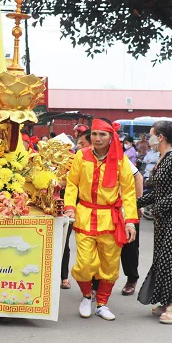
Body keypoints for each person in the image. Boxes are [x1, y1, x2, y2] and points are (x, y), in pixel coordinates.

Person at [64, 118, 138, 321]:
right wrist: (69, 207)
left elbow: (129, 191)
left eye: (102, 134)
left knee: (110, 264)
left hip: (110, 219)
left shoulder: (121, 160)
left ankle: (102, 303)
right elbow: (72, 183)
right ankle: (87, 296)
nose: (97, 138)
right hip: (85, 215)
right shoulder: (81, 155)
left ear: (111, 136)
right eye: (94, 134)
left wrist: (130, 220)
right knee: (85, 263)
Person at [136, 120, 172, 324]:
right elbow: (158, 193)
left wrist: (157, 208)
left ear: (159, 137)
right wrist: (135, 204)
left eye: (151, 135)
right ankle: (167, 300)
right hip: (164, 218)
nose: (148, 139)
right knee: (163, 259)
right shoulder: (162, 158)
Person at [61, 127, 90, 290]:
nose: (78, 145)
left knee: (66, 239)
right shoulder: (72, 158)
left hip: (83, 207)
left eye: (82, 143)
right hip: (63, 203)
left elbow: (73, 184)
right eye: (77, 142)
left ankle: (64, 277)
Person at [120, 160, 144, 296]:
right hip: (101, 211)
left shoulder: (119, 157)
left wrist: (138, 203)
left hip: (125, 209)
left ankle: (131, 279)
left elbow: (138, 176)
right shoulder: (85, 158)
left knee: (130, 246)